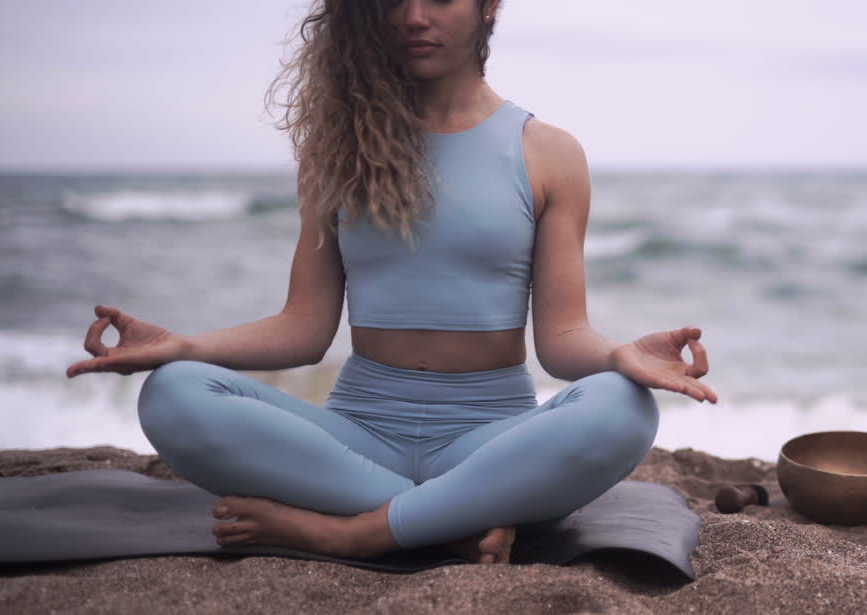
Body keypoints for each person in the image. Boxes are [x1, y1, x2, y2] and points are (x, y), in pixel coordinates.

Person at [64, 0, 717, 565]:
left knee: (624, 405)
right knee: (172, 395)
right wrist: (179, 347)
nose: (413, 17)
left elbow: (562, 340)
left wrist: (619, 356)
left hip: (491, 441)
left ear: (489, 6)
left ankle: (352, 535)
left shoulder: (547, 152)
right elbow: (304, 328)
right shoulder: (337, 149)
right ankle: (450, 522)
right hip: (358, 436)